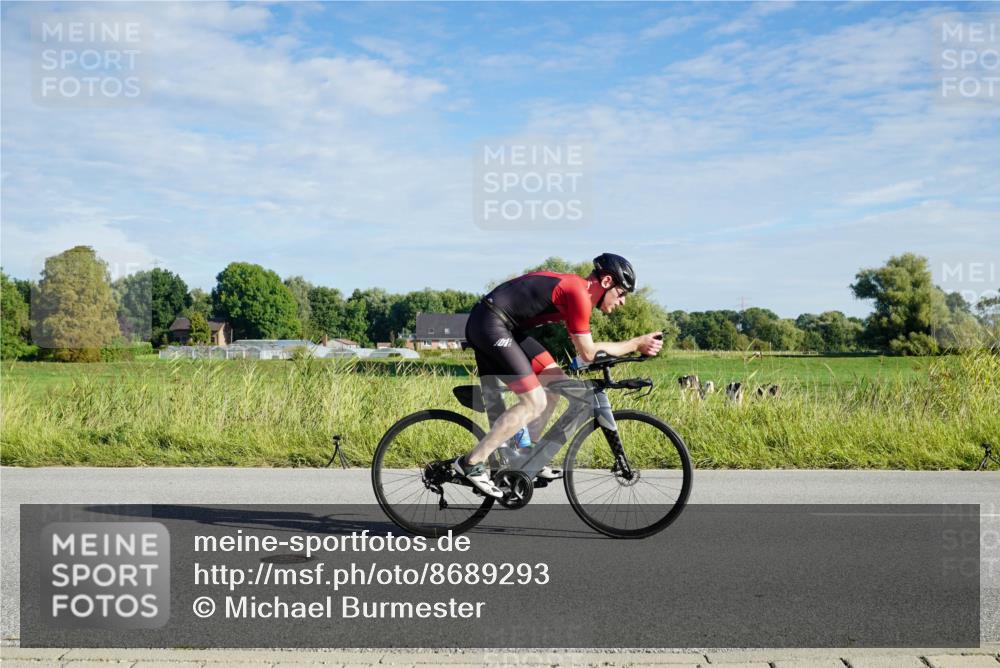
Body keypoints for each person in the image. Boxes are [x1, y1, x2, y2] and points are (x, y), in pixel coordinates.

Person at [455, 253, 663, 497]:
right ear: (607, 282)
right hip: (490, 323)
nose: (623, 302)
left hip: (507, 327)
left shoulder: (578, 294)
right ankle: (471, 463)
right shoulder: (578, 294)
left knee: (556, 385)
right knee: (535, 401)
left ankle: (525, 456)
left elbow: (584, 355)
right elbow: (588, 352)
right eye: (622, 293)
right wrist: (636, 343)